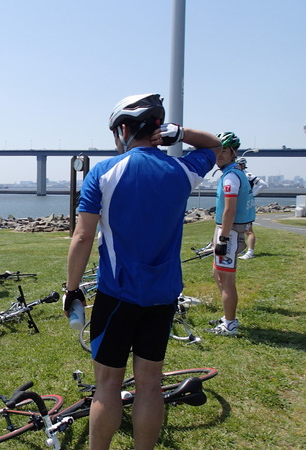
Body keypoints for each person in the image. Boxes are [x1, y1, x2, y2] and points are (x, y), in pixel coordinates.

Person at [64, 93, 220, 449]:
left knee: (107, 385)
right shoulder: (182, 171)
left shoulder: (105, 172)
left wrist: (73, 288)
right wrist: (177, 134)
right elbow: (215, 144)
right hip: (162, 296)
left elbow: (83, 236)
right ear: (155, 128)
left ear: (122, 129)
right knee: (150, 382)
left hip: (116, 296)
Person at [208, 132, 255, 336]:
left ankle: (230, 324)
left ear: (233, 152)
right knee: (217, 273)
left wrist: (223, 238)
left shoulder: (231, 177)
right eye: (217, 150)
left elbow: (230, 210)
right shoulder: (233, 173)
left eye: (224, 151)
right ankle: (228, 316)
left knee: (227, 280)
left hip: (230, 233)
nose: (219, 155)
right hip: (226, 230)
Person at [236, 156, 268, 260]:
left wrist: (252, 194)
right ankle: (241, 249)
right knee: (238, 228)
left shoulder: (247, 175)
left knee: (248, 229)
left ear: (242, 165)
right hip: (240, 203)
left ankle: (250, 252)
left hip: (245, 204)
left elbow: (263, 184)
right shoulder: (239, 175)